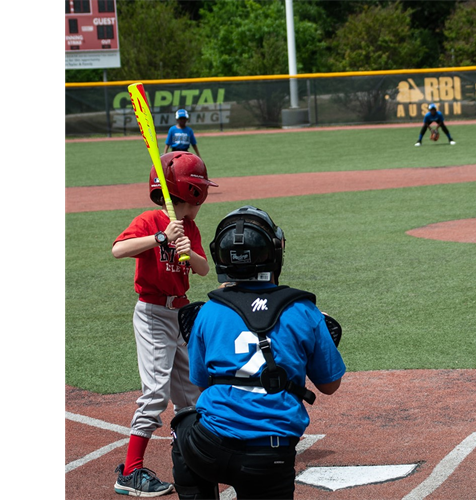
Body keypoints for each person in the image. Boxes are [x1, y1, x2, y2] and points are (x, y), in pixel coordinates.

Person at [169, 205, 346, 500]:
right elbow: (329, 386)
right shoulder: (303, 310)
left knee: (183, 427)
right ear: (275, 254)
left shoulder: (209, 311)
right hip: (270, 458)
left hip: (210, 447)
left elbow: (201, 384)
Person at [111, 151, 218, 497]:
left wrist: (189, 248)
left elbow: (202, 271)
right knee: (156, 392)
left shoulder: (189, 228)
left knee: (190, 392)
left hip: (180, 314)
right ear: (191, 193)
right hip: (154, 313)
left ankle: (192, 456)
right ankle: (130, 472)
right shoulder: (150, 221)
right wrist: (160, 238)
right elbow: (119, 250)